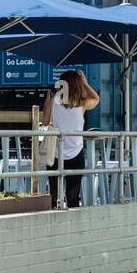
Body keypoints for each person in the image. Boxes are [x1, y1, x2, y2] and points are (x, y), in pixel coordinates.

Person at [41, 70, 99, 208]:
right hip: (76, 153)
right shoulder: (82, 103)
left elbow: (44, 123)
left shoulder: (53, 101)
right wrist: (85, 83)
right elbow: (96, 98)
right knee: (73, 197)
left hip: (55, 154)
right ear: (77, 85)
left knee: (54, 195)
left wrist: (49, 98)